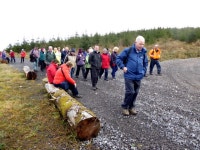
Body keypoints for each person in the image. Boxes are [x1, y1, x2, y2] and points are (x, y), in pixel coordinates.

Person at [116, 35, 148, 116]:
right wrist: (123, 67)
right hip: (129, 75)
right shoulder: (128, 50)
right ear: (135, 42)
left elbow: (145, 63)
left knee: (135, 92)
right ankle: (125, 107)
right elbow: (118, 59)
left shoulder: (143, 52)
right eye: (140, 44)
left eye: (143, 44)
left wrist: (143, 71)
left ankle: (131, 107)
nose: (141, 46)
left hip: (139, 76)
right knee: (130, 92)